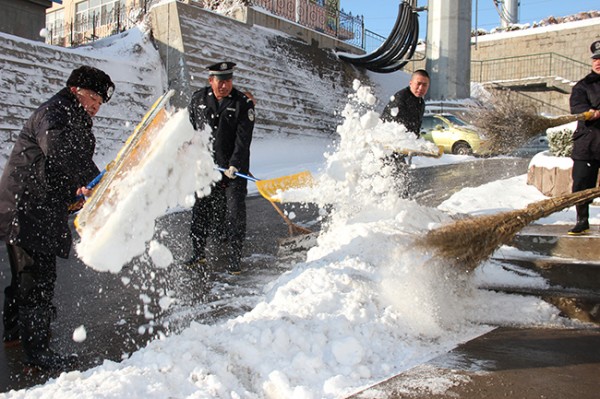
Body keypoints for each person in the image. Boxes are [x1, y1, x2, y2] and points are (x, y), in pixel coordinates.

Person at [0, 65, 114, 370]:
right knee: (36, 281)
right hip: (27, 208)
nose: (96, 108)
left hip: (31, 205)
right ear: (77, 91)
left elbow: (54, 168)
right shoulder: (55, 112)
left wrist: (74, 196)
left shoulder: (70, 115)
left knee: (25, 278)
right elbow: (60, 150)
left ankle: (15, 334)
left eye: (100, 103)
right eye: (93, 99)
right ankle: (37, 355)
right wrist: (93, 183)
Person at [187, 62, 255, 274]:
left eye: (228, 81)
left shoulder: (243, 103)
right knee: (201, 212)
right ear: (211, 81)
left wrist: (234, 164)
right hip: (206, 169)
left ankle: (235, 260)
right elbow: (191, 129)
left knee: (235, 214)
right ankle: (198, 254)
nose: (224, 86)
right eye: (220, 81)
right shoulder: (198, 99)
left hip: (232, 171)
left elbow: (243, 140)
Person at [568, 41, 600, 235]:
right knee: (581, 183)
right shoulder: (583, 85)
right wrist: (590, 112)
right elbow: (576, 107)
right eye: (595, 59)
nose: (598, 62)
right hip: (587, 143)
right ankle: (582, 220)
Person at [381, 69, 430, 137]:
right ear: (411, 83)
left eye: (424, 85)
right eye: (418, 84)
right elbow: (398, 126)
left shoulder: (421, 102)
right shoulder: (401, 98)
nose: (421, 88)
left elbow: (416, 128)